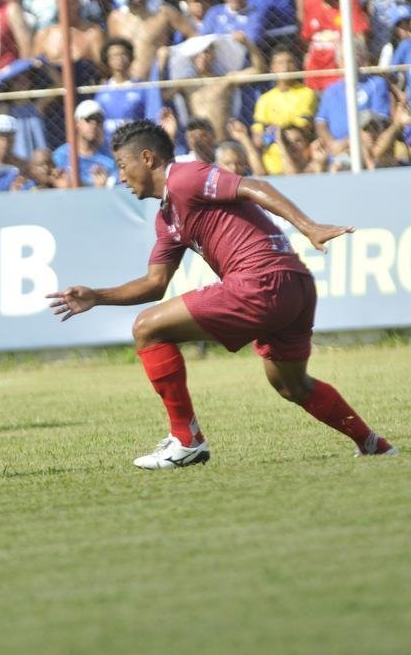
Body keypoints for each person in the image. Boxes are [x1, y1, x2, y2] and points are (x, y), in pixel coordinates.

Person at [48, 120, 396, 469]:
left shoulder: (185, 177)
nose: (121, 177)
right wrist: (98, 296)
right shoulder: (167, 219)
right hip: (295, 286)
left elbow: (254, 185)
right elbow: (155, 283)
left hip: (260, 281)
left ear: (148, 158)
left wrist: (308, 227)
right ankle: (373, 444)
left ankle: (187, 440)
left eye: (123, 166)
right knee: (292, 385)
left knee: (146, 328)